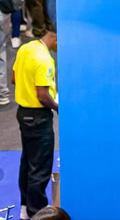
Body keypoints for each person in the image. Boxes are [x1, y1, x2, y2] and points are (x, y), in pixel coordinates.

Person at [12, 29, 57, 217]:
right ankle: (37, 212)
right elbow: (42, 95)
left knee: (28, 160)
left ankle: (25, 207)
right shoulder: (45, 60)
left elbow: (14, 79)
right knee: (40, 166)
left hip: (23, 113)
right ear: (55, 37)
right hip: (39, 117)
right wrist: (57, 107)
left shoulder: (25, 48)